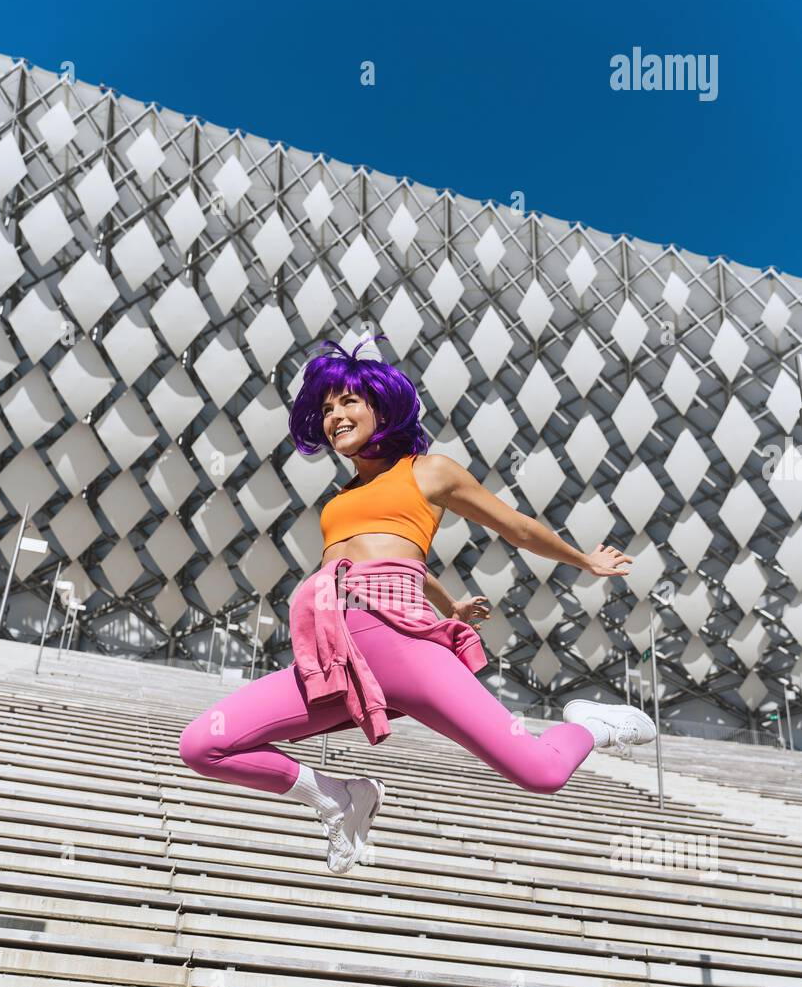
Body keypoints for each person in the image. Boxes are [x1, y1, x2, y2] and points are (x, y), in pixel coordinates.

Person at [179, 335, 655, 874]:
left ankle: (590, 727)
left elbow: (516, 528)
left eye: (347, 401)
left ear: (381, 402)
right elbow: (382, 565)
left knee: (541, 773)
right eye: (326, 407)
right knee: (203, 745)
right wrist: (450, 601)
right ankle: (337, 797)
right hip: (336, 658)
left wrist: (583, 561)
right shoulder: (337, 504)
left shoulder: (428, 471)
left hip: (406, 650)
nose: (334, 415)